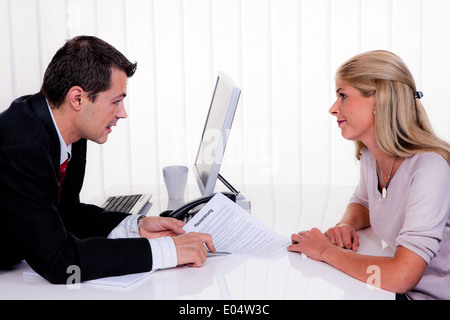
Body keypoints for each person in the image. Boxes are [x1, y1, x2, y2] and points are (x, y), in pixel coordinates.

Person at [0, 35, 215, 284]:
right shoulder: (22, 145)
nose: (122, 113)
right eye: (116, 101)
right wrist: (168, 252)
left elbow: (66, 214)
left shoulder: (71, 130)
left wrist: (136, 227)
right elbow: (61, 263)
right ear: (78, 98)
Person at [288, 50, 450, 300]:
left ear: (380, 101)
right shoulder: (371, 157)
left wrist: (324, 251)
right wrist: (346, 224)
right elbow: (364, 203)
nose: (333, 109)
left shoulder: (430, 169)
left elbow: (401, 276)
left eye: (343, 96)